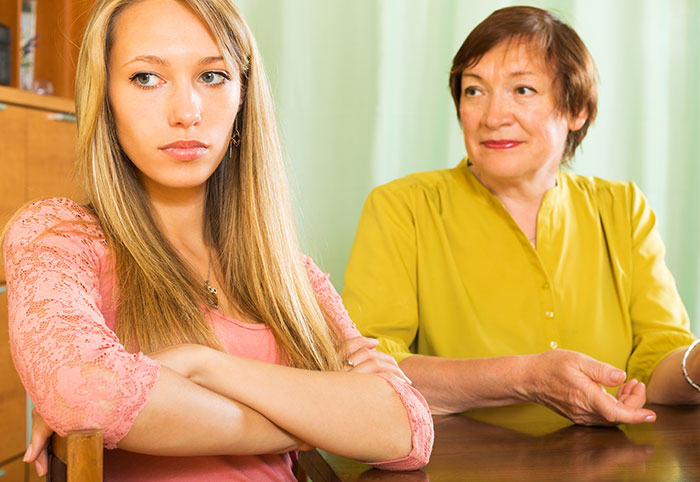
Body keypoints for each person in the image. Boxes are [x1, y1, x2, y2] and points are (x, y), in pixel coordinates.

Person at [3, 0, 433, 480]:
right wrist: (320, 420)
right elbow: (85, 396)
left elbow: (406, 429)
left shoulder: (287, 271)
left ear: (244, 96)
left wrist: (200, 365)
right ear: (104, 98)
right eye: (146, 77)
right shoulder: (59, 236)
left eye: (212, 76)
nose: (187, 111)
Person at [342, 5, 700, 427]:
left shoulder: (622, 208)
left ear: (577, 109)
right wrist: (526, 377)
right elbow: (367, 366)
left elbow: (659, 364)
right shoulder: (403, 207)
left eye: (522, 90)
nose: (493, 117)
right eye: (474, 91)